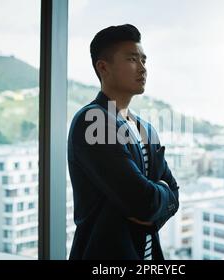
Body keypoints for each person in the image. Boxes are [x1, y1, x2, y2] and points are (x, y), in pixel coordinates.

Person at [68, 24, 179, 260]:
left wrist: (152, 208)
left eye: (144, 60)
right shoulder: (92, 122)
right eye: (132, 59)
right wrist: (157, 200)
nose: (142, 68)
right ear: (103, 67)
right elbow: (144, 202)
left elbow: (174, 196)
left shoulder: (146, 129)